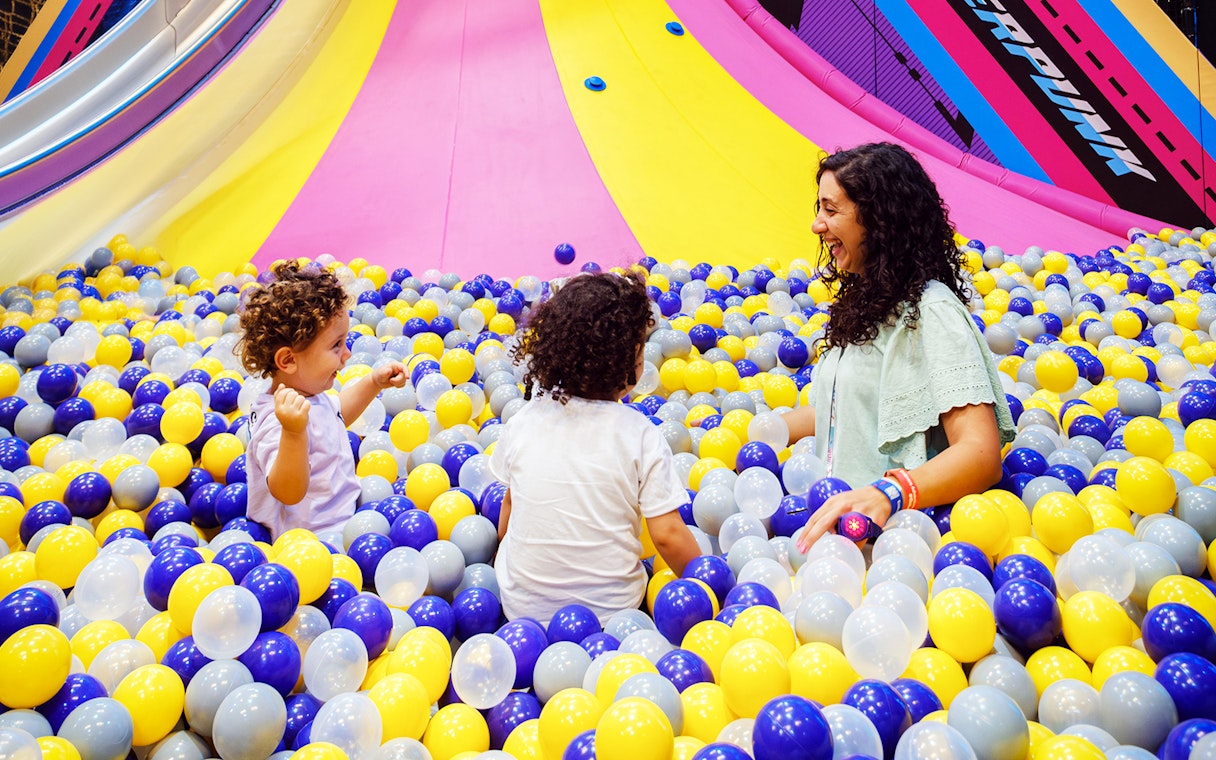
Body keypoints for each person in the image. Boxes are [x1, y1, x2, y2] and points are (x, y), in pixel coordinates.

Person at [786, 142, 1016, 553]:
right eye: (818, 209)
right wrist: (767, 429)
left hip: (896, 548)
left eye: (831, 210)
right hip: (835, 540)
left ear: (878, 219)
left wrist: (887, 494)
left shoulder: (932, 310)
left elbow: (980, 453)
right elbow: (857, 411)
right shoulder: (867, 304)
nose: (817, 225)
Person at [490, 271, 701, 625]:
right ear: (633, 359)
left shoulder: (525, 419)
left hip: (522, 612)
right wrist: (709, 583)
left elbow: (509, 512)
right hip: (615, 615)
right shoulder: (639, 434)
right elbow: (666, 535)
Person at [238, 260, 406, 539]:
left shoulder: (310, 396)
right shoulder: (277, 421)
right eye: (336, 345)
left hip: (346, 522)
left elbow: (337, 415)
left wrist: (373, 383)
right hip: (310, 540)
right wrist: (293, 432)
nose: (347, 354)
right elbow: (288, 491)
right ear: (289, 360)